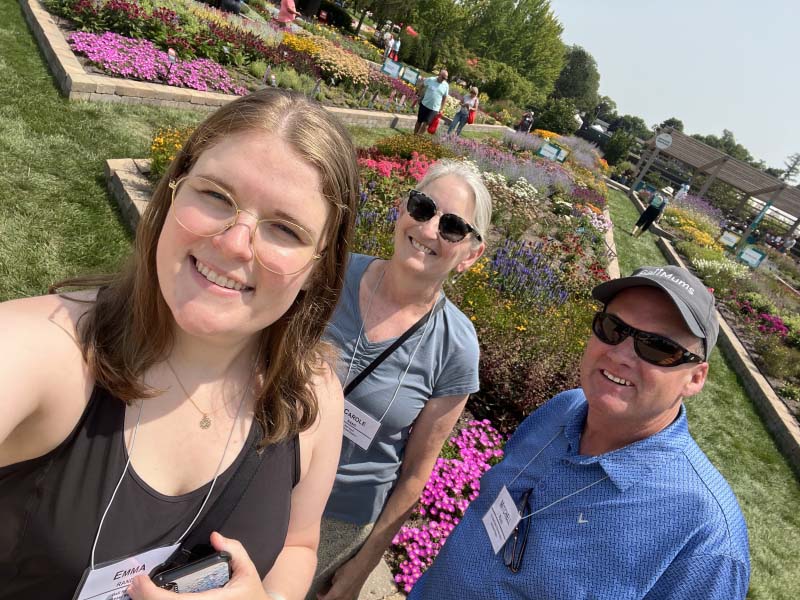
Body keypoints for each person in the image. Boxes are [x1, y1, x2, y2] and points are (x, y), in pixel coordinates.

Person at [0, 89, 360, 599]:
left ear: (319, 268)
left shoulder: (314, 398)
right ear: (173, 191)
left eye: (284, 229)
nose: (234, 243)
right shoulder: (44, 350)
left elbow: (298, 545)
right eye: (216, 195)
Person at [409, 265, 750, 600]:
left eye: (658, 347)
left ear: (695, 378)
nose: (620, 354)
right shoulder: (564, 408)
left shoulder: (705, 538)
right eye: (613, 328)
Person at [308, 161, 491, 600]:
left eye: (452, 227)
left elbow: (414, 474)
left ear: (470, 254)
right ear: (402, 208)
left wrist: (362, 566)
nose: (428, 230)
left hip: (337, 521)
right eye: (423, 207)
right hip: (264, 475)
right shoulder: (330, 275)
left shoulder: (455, 347)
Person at [413, 69, 450, 135]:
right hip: (424, 104)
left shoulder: (446, 85)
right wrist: (419, 95)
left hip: (434, 109)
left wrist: (441, 109)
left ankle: (418, 137)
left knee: (426, 124)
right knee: (419, 121)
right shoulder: (431, 79)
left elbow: (445, 98)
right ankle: (414, 135)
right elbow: (422, 85)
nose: (443, 79)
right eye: (443, 77)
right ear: (439, 75)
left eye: (445, 78)